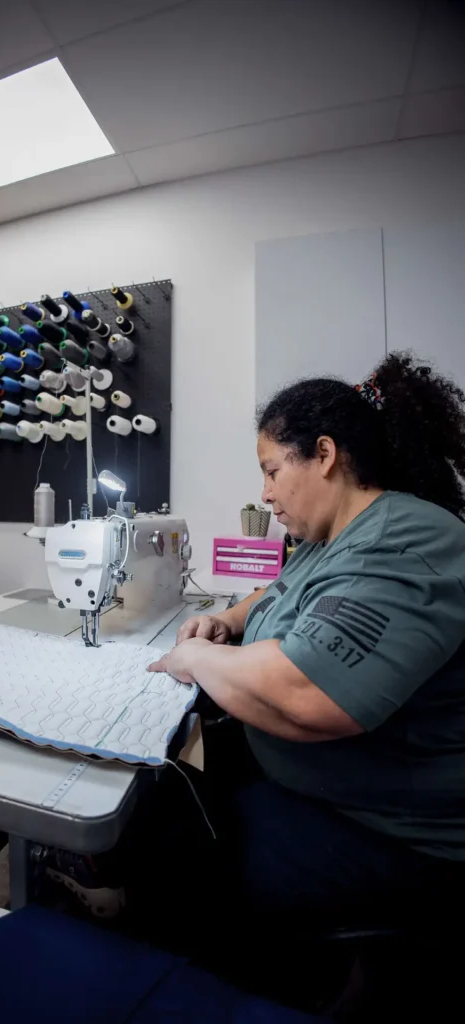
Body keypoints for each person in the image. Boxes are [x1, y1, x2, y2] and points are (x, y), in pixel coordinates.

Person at [48, 352, 465, 967]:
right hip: (321, 787)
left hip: (393, 833)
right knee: (165, 789)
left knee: (180, 877)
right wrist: (229, 621)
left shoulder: (405, 540)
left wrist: (195, 657)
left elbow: (306, 693)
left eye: (272, 471)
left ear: (324, 455)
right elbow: (279, 589)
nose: (265, 494)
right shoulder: (330, 535)